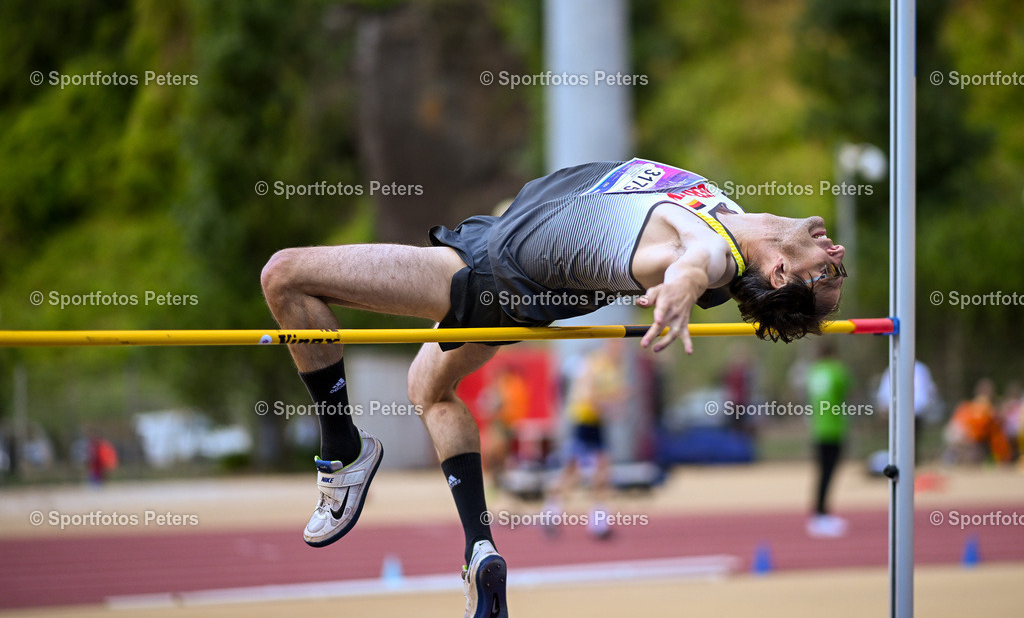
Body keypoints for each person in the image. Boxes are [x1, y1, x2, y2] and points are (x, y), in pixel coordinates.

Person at [259, 158, 847, 617]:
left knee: (285, 276)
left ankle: (342, 452)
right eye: (837, 268)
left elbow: (696, 261)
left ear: (778, 273)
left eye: (828, 271)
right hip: (512, 275)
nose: (835, 252)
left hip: (481, 273)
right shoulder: (732, 217)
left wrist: (681, 289)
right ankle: (479, 551)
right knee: (428, 392)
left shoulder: (715, 252)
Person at [542, 339, 628, 540]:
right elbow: (587, 395)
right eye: (617, 346)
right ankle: (551, 512)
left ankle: (597, 522)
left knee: (601, 472)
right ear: (609, 345)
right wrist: (609, 403)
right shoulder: (594, 364)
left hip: (597, 424)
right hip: (584, 422)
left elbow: (616, 396)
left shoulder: (615, 368)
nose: (620, 350)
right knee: (572, 472)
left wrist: (614, 403)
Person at [804, 340, 853, 537]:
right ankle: (821, 514)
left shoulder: (813, 371)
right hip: (834, 428)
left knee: (822, 473)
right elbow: (846, 390)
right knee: (829, 473)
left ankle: (820, 513)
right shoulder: (837, 370)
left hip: (818, 428)